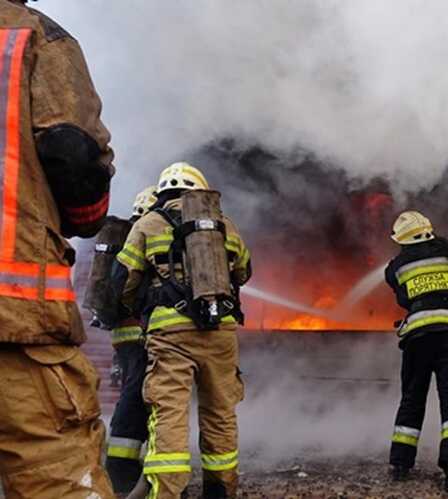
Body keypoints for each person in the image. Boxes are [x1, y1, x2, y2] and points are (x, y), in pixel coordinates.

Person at [0, 1, 116, 497]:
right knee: (59, 477)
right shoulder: (32, 38)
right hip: (15, 321)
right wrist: (84, 220)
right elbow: (74, 155)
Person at [114, 162, 251, 499]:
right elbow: (244, 272)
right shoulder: (225, 225)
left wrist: (140, 305)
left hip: (170, 336)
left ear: (162, 192)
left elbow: (123, 281)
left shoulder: (147, 224)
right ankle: (220, 491)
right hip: (220, 332)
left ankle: (166, 493)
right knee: (220, 413)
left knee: (169, 415)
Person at [384, 210, 448, 493]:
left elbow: (397, 288)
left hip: (417, 336)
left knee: (412, 396)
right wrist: (445, 245)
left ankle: (400, 465)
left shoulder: (397, 265)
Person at [105, 186, 158, 494]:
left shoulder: (129, 233)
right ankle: (122, 470)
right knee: (137, 396)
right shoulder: (142, 235)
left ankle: (125, 465)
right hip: (138, 330)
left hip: (126, 333)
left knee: (135, 393)